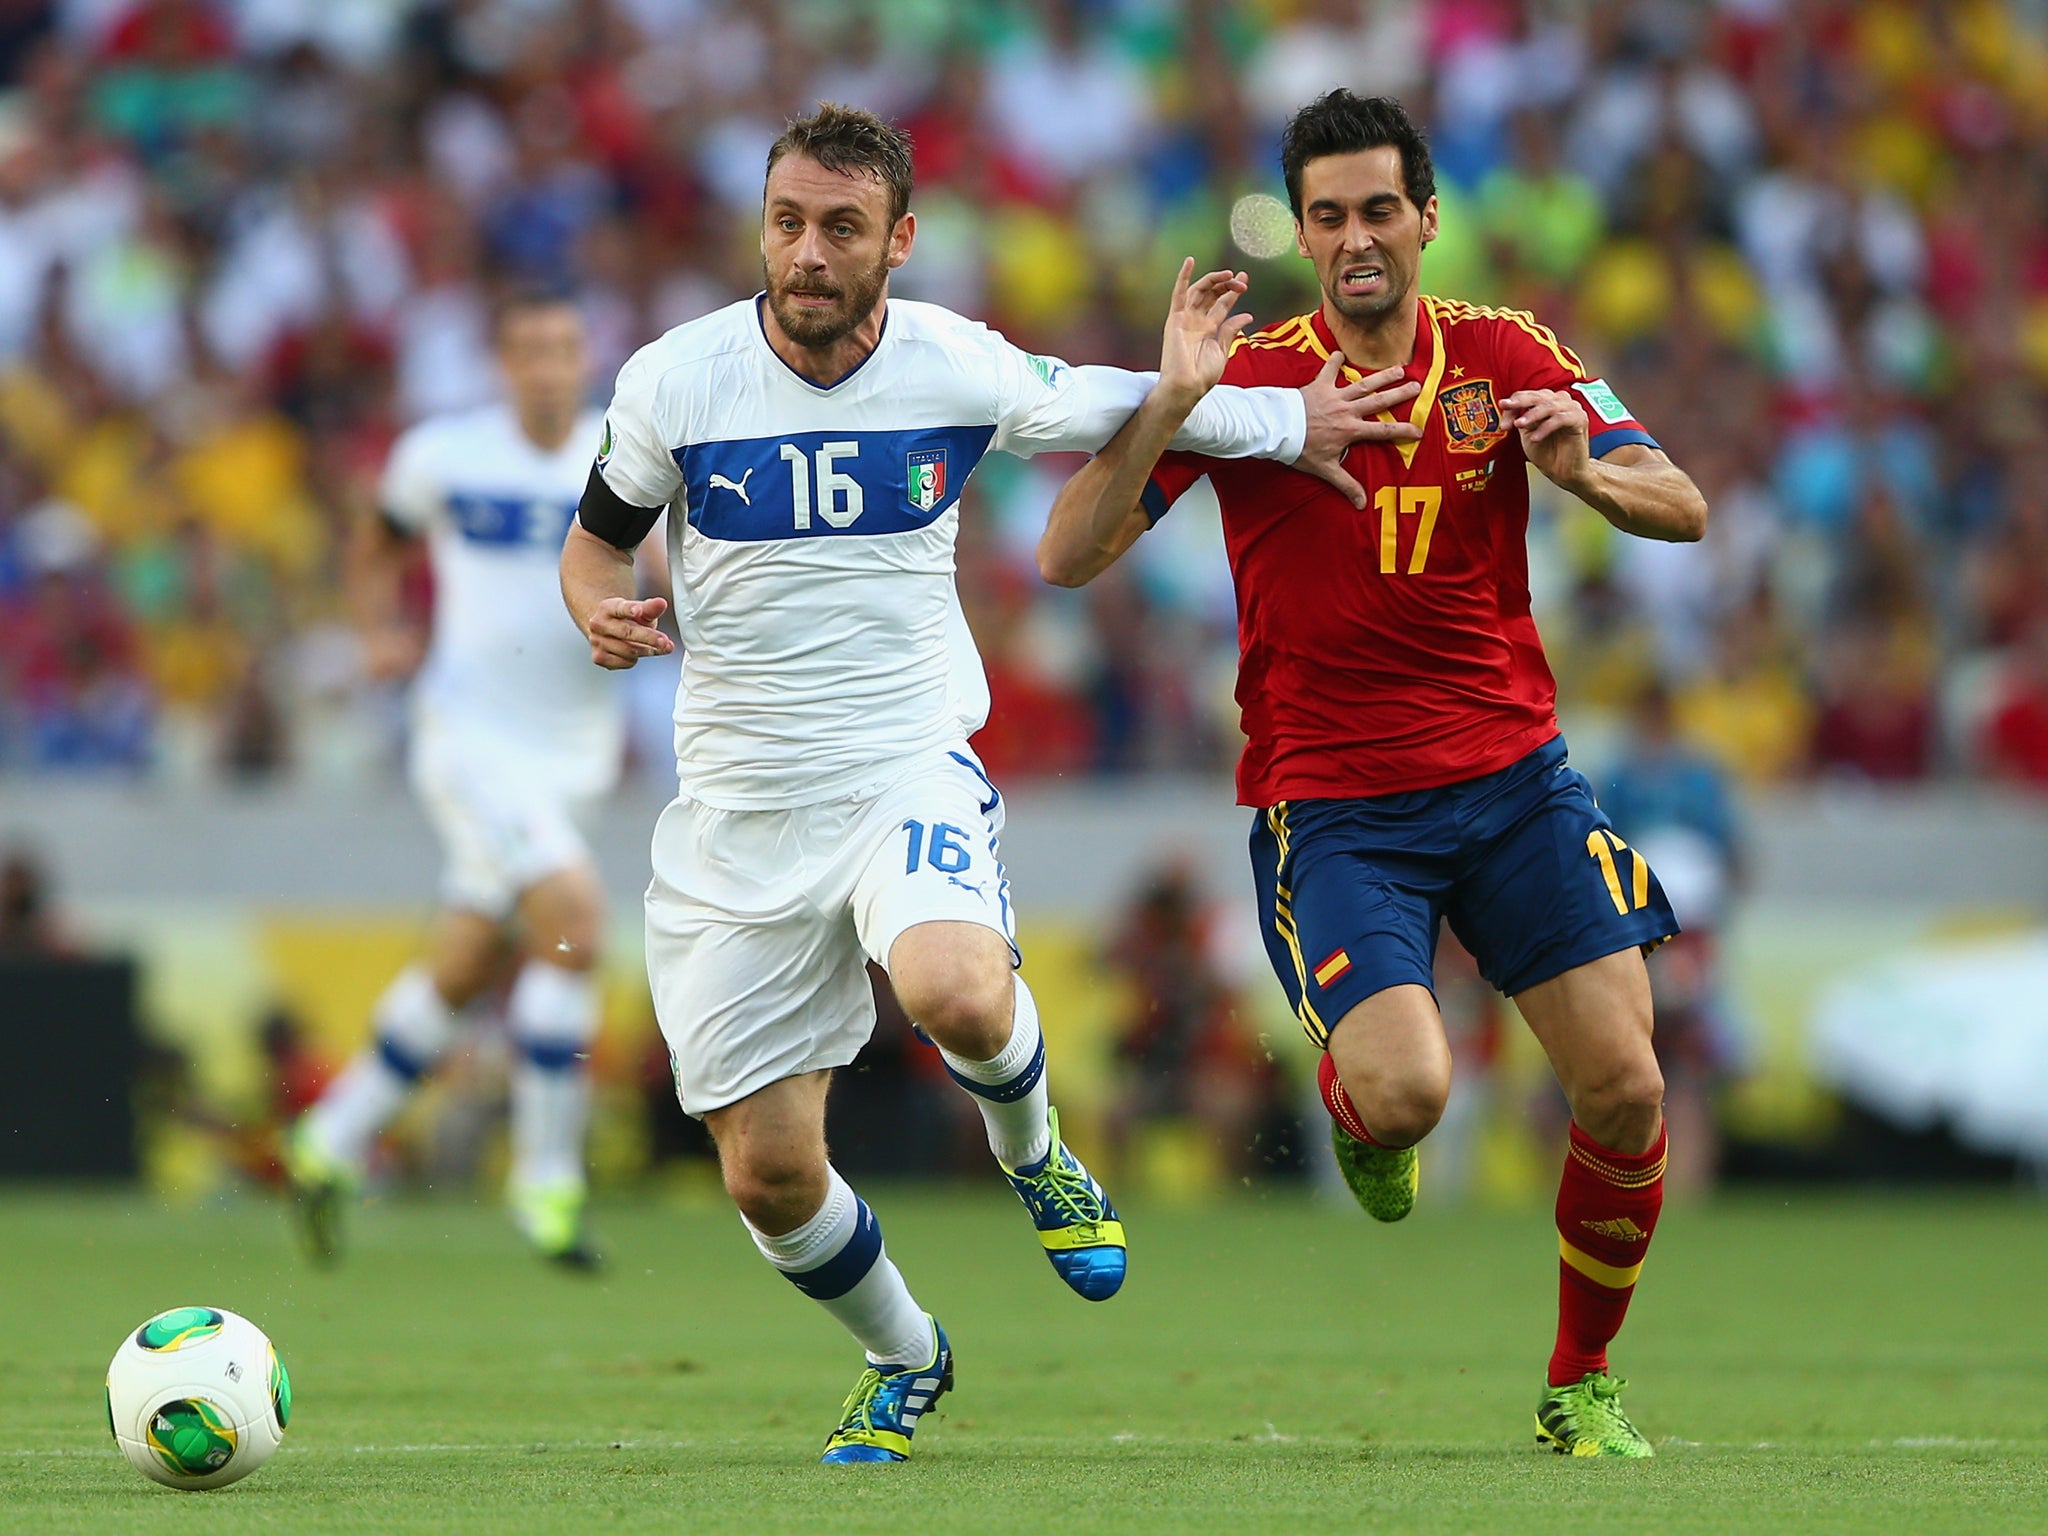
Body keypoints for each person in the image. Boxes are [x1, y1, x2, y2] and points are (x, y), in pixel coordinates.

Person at [558, 102, 1416, 1465]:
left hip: (904, 769)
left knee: (957, 988)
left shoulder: (956, 365)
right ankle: (907, 1355)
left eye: (843, 227)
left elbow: (1109, 402)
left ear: (899, 240)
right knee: (770, 1177)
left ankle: (1037, 1154)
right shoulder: (675, 381)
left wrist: (1276, 412)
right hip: (734, 818)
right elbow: (597, 543)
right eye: (788, 223)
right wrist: (599, 607)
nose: (808, 254)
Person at [1037, 91, 1708, 1458]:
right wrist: (1172, 401)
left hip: (1517, 785)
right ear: (1301, 228)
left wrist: (1587, 477)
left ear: (1426, 220)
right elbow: (1065, 553)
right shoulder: (1249, 383)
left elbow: (1680, 502)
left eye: (1379, 211)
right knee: (1409, 1091)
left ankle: (1580, 1385)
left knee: (1629, 1088)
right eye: (1328, 215)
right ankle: (1364, 1113)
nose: (1355, 239)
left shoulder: (1506, 353)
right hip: (1337, 806)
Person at [287, 292, 652, 1270]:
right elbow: (376, 540)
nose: (545, 365)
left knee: (467, 961)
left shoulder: (624, 452)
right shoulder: (442, 455)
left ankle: (326, 1142)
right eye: (527, 348)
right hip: (469, 737)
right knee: (574, 928)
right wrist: (378, 629)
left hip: (573, 752)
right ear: (499, 362)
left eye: (563, 347)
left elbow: (663, 565)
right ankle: (547, 1188)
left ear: (585, 358)